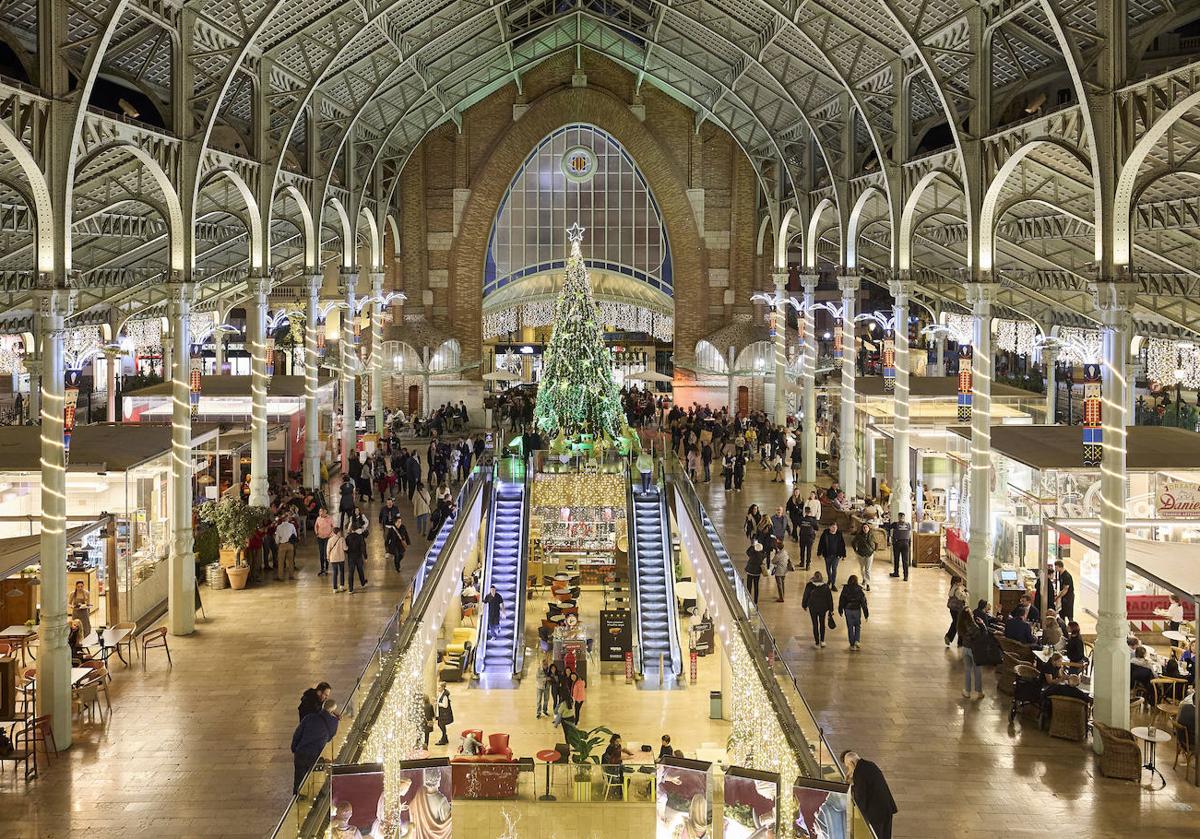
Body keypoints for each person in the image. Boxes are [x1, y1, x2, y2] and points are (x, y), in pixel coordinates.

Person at [841, 751, 897, 839]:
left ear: (851, 763)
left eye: (848, 766)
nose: (849, 769)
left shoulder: (859, 773)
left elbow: (860, 797)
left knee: (875, 836)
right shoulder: (870, 765)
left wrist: (850, 785)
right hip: (887, 808)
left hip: (876, 814)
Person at [291, 699, 339, 795]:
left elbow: (297, 733)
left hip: (301, 752)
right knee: (315, 776)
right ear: (332, 711)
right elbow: (329, 738)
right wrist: (335, 718)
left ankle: (298, 797)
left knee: (298, 778)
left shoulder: (309, 717)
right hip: (315, 756)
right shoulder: (334, 722)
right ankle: (318, 796)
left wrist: (294, 748)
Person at [957, 607, 985, 700]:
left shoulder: (961, 625)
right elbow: (982, 635)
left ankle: (967, 691)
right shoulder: (973, 625)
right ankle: (979, 692)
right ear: (970, 616)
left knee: (967, 670)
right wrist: (982, 625)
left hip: (965, 649)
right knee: (977, 671)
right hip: (975, 650)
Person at [802, 570, 835, 649]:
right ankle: (822, 641)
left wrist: (804, 605)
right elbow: (829, 598)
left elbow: (806, 595)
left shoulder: (809, 585)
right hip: (823, 608)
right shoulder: (825, 586)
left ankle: (817, 642)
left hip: (813, 607)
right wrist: (831, 609)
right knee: (822, 623)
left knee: (815, 624)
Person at [838, 574, 869, 651]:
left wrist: (840, 609)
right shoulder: (859, 590)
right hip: (857, 610)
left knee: (850, 627)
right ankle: (857, 641)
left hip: (848, 610)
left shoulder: (845, 589)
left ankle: (852, 644)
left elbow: (841, 600)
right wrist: (866, 613)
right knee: (857, 626)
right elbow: (863, 602)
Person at [816, 522, 846, 591]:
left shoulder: (839, 535)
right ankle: (830, 579)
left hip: (836, 555)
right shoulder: (825, 534)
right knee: (828, 568)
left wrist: (843, 554)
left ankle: (833, 584)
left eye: (835, 527)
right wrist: (819, 553)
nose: (834, 529)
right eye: (833, 527)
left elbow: (842, 545)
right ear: (830, 527)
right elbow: (821, 544)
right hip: (827, 555)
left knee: (834, 569)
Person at [851, 522, 875, 591]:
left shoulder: (871, 535)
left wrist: (874, 550)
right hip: (861, 554)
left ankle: (867, 584)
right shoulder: (859, 535)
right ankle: (864, 579)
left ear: (868, 528)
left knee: (867, 569)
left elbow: (876, 542)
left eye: (866, 527)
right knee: (862, 568)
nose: (865, 529)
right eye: (864, 527)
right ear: (862, 529)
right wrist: (856, 550)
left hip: (869, 554)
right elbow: (853, 542)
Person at [344, 521, 368, 593]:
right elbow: (363, 547)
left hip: (351, 557)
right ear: (357, 529)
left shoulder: (348, 537)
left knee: (351, 572)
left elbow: (345, 547)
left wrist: (348, 553)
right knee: (360, 570)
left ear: (351, 529)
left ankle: (350, 589)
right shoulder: (360, 537)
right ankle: (363, 583)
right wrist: (365, 556)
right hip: (359, 556)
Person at [945, 576, 967, 646]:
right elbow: (962, 597)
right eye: (961, 581)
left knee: (956, 623)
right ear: (957, 582)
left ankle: (950, 638)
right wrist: (966, 593)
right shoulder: (957, 589)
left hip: (953, 609)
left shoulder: (953, 587)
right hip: (957, 609)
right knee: (959, 624)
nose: (962, 582)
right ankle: (957, 640)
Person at [889, 513, 911, 581]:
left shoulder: (895, 524)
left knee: (897, 559)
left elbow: (888, 527)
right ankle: (905, 576)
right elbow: (909, 534)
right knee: (905, 560)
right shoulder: (908, 524)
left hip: (898, 542)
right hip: (906, 543)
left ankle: (896, 573)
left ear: (898, 517)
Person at [275, 514, 298, 581]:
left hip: (282, 545)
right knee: (291, 561)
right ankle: (291, 576)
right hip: (290, 545)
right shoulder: (292, 526)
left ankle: (280, 577)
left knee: (281, 562)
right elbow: (295, 535)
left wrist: (277, 543)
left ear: (281, 519)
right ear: (287, 519)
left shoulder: (279, 527)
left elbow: (277, 538)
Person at [744, 539, 765, 605]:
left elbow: (747, 552)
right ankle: (755, 600)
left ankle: (748, 598)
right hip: (757, 573)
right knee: (756, 586)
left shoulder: (752, 554)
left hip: (750, 572)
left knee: (749, 586)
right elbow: (764, 554)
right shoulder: (762, 555)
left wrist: (752, 546)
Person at [314, 508, 334, 576]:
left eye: (322, 511)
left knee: (326, 553)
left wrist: (330, 535)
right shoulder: (318, 518)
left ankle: (326, 568)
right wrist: (316, 533)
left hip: (327, 538)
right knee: (321, 553)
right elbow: (316, 526)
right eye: (319, 511)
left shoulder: (329, 518)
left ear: (325, 511)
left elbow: (333, 527)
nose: (320, 512)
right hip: (320, 538)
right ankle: (322, 568)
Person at [327, 527, 347, 592]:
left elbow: (328, 550)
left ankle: (335, 588)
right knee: (342, 572)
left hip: (333, 558)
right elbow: (345, 548)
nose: (341, 533)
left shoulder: (330, 540)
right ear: (338, 532)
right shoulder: (342, 539)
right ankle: (342, 586)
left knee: (335, 573)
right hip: (341, 558)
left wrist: (328, 557)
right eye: (340, 532)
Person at [435, 681, 453, 745]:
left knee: (441, 725)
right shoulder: (441, 693)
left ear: (443, 688)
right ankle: (445, 738)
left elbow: (445, 705)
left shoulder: (445, 696)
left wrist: (438, 703)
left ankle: (443, 739)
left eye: (439, 687)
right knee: (440, 725)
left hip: (444, 714)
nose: (438, 689)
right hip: (441, 713)